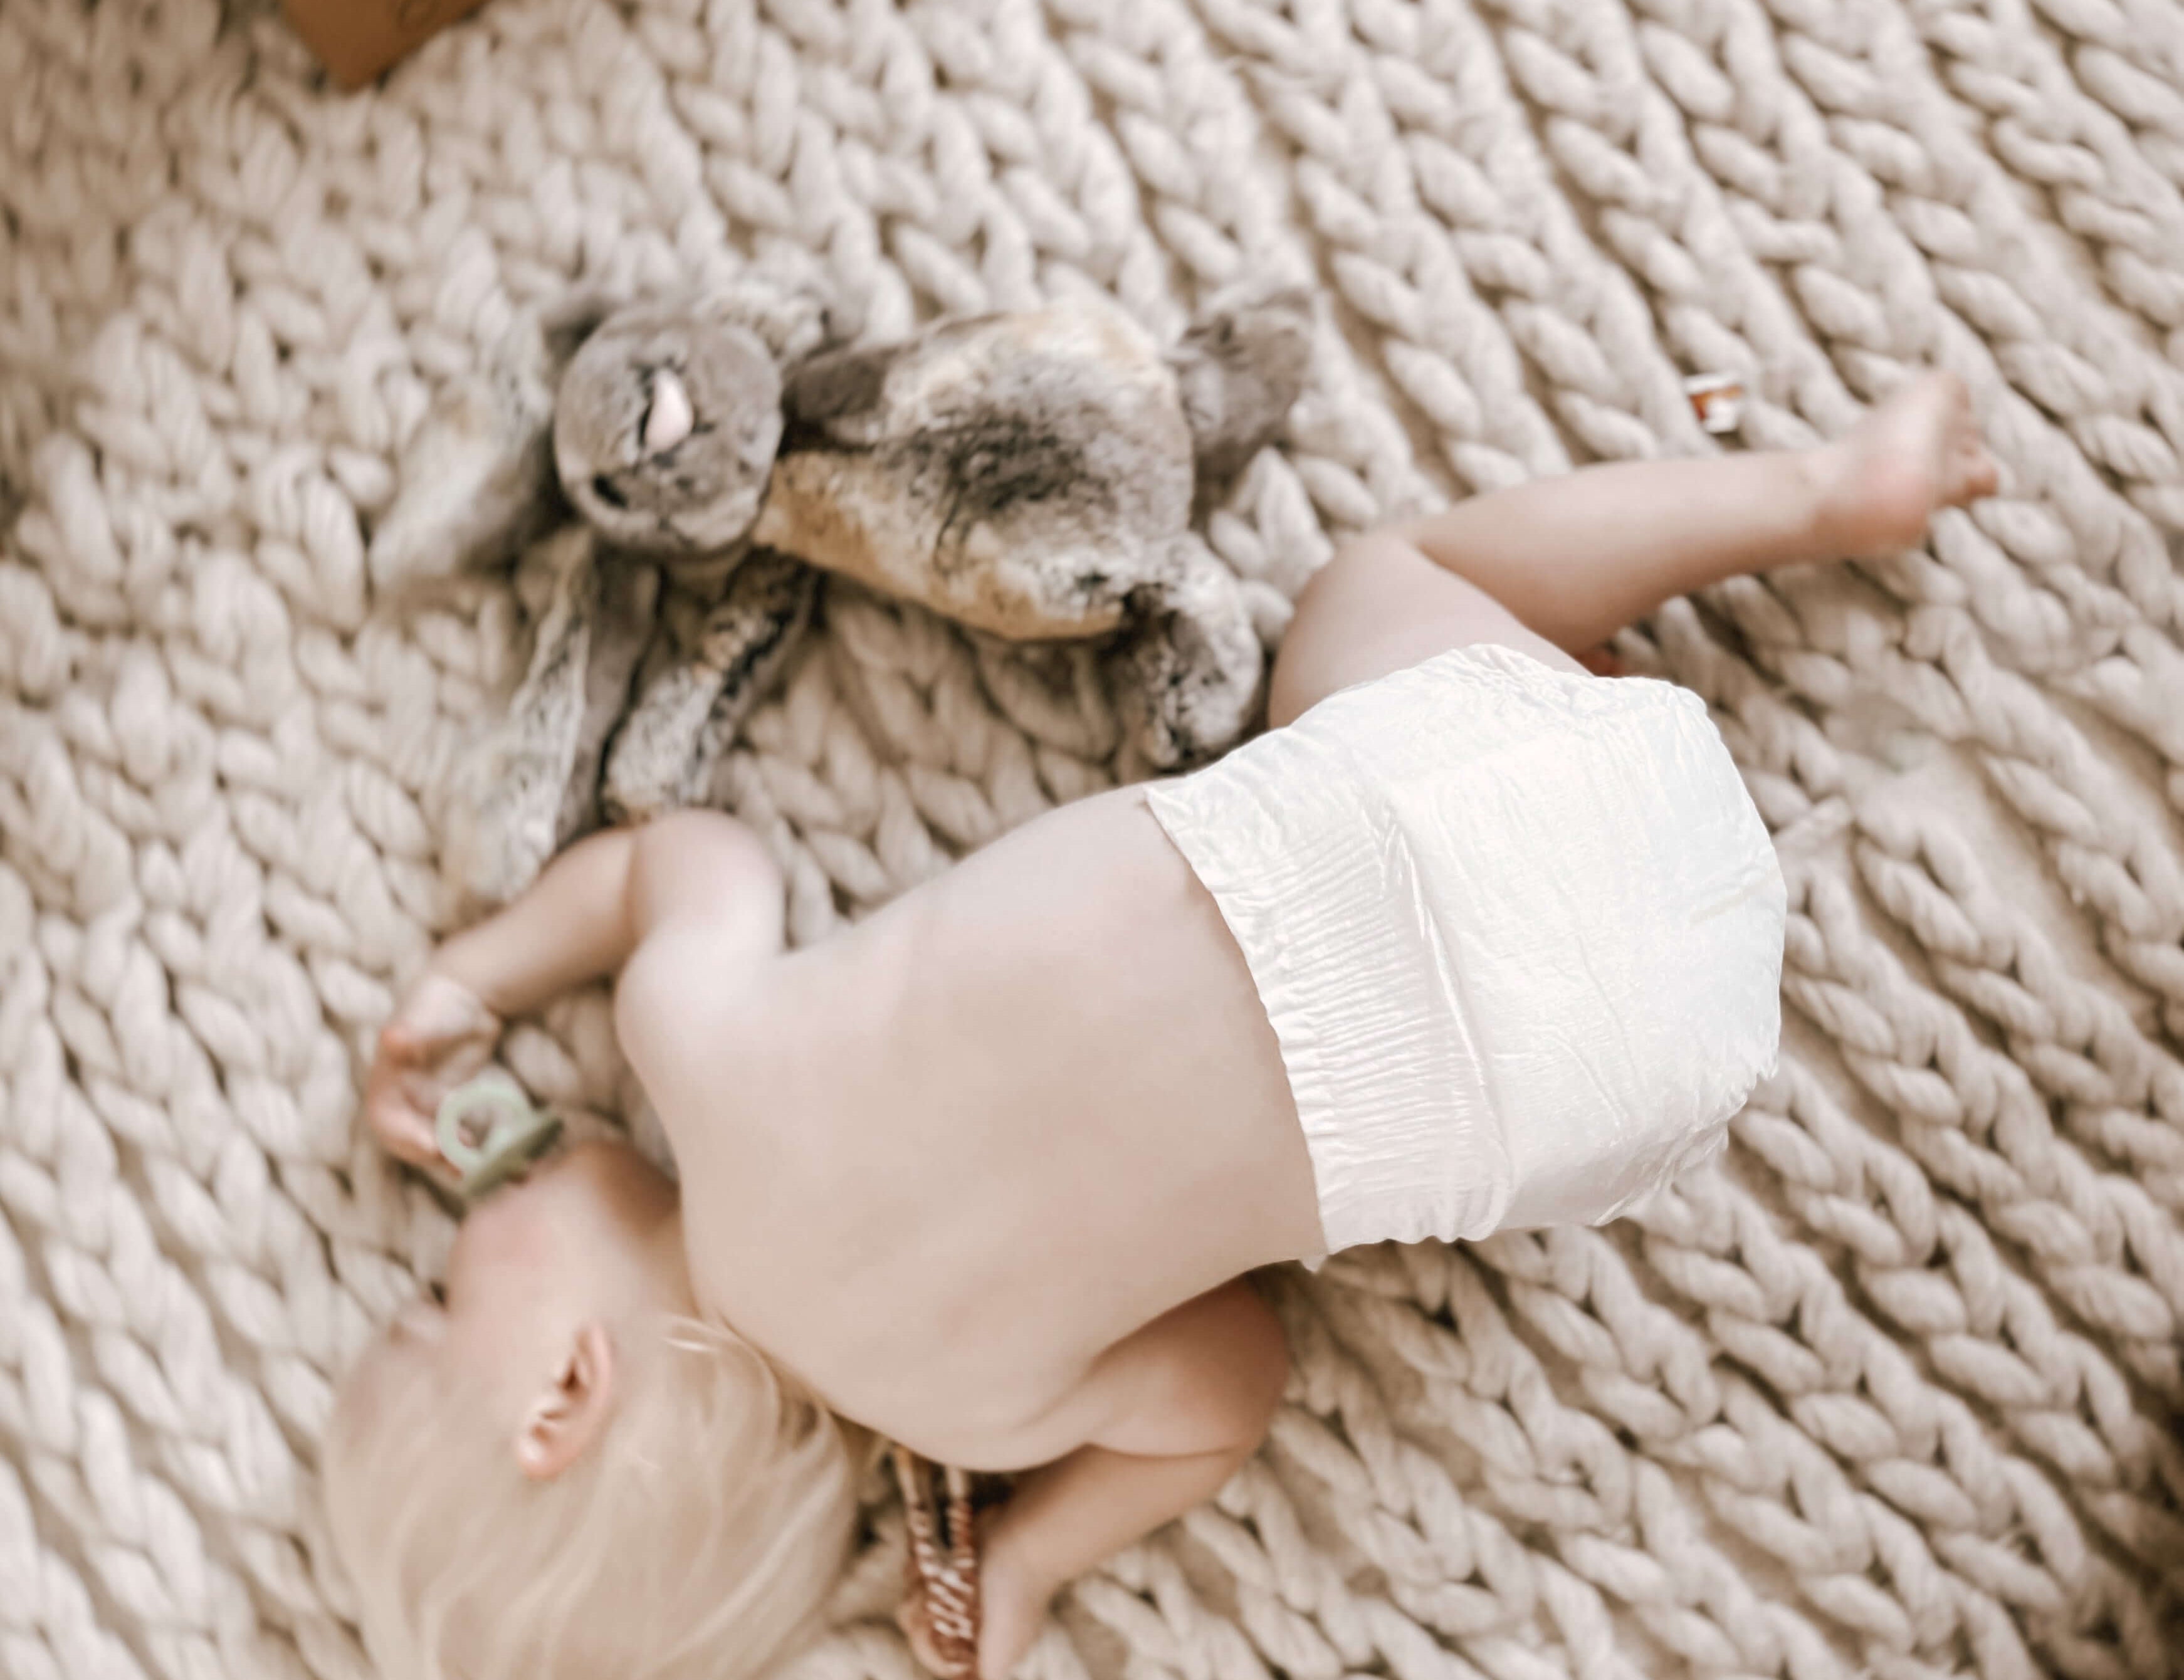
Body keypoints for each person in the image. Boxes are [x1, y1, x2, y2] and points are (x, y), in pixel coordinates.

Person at [323, 374, 1997, 1680]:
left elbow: (1232, 1376)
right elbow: (682, 863)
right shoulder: (697, 1050)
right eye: (434, 1301)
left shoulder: (976, 1416)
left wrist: (1036, 1553)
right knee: (1375, 583)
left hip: (1615, 1074)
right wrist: (474, 981)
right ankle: (1816, 494)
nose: (457, 1226)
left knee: (1405, 837)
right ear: (565, 1394)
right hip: (1433, 824)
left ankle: (1539, 700)